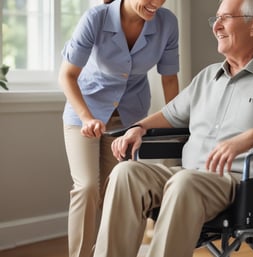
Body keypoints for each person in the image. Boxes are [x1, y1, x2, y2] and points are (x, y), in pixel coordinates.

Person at [93, 0, 253, 256]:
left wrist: (251, 137)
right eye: (215, 19)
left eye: (225, 18)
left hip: (240, 183)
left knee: (184, 181)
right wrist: (138, 127)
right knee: (126, 173)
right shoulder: (207, 77)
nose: (216, 26)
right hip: (189, 174)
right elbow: (170, 115)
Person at [58, 0, 179, 256]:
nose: (157, 2)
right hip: (85, 115)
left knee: (121, 192)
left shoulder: (167, 22)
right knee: (88, 187)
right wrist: (87, 117)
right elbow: (67, 76)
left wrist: (178, 124)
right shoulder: (96, 19)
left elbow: (169, 79)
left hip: (129, 120)